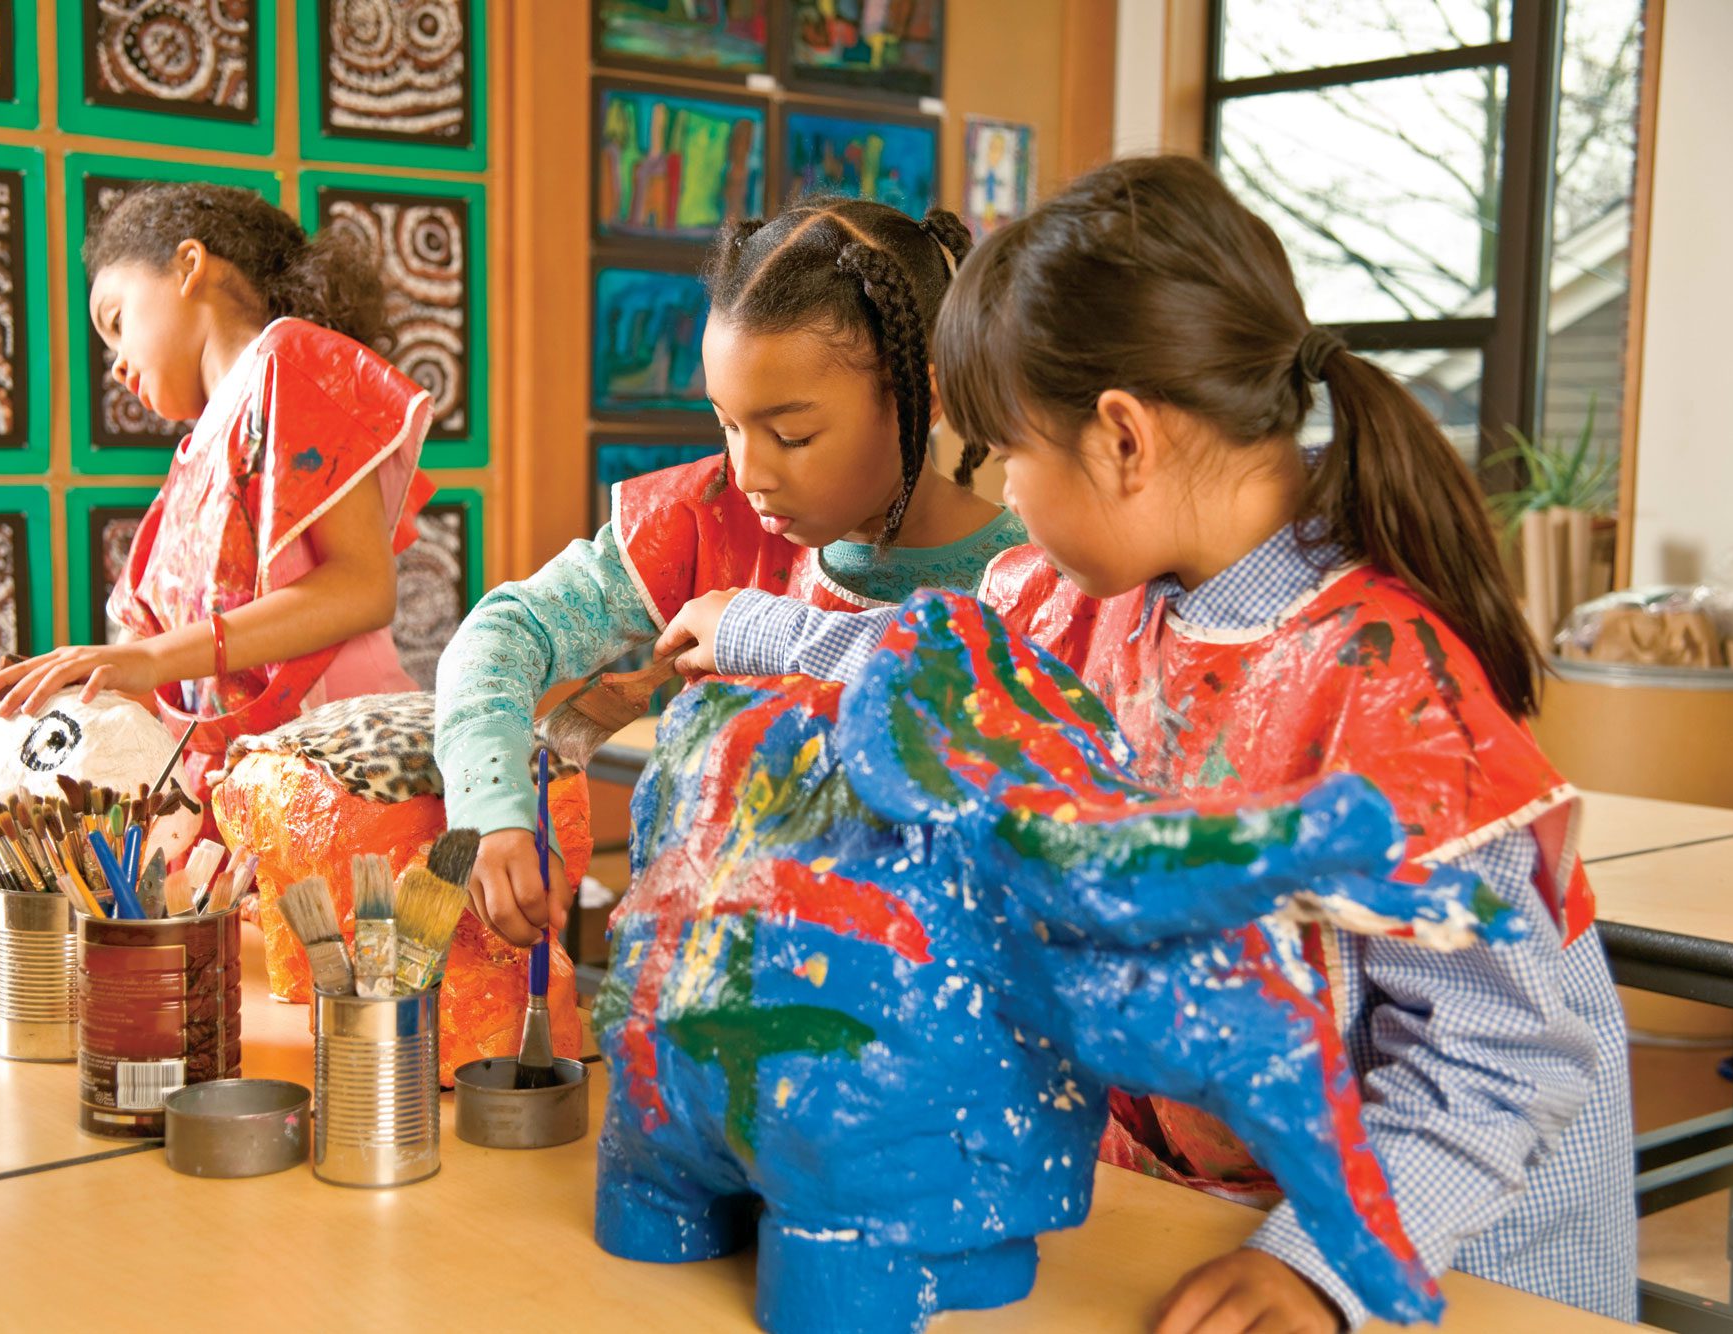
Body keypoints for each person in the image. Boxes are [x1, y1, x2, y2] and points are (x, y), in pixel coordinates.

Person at [655, 156, 1635, 1332]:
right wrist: (756, 628)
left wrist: (1312, 1266)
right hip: (1206, 1210)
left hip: (1440, 1257)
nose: (1008, 497)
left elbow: (1498, 1061)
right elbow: (950, 665)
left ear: (1121, 437)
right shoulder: (1099, 597)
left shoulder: (1387, 687)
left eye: (1009, 453)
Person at [434, 199, 1026, 946]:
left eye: (792, 435)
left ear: (923, 398)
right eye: (728, 424)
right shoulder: (712, 517)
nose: (748, 472)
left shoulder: (1031, 583)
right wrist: (491, 807)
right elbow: (506, 632)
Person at [0, 183, 435, 804]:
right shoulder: (188, 469)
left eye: (116, 321)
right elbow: (146, 667)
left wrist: (154, 660)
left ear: (189, 266)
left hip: (350, 777)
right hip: (248, 796)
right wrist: (51, 692)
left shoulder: (288, 360)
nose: (116, 366)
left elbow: (362, 588)